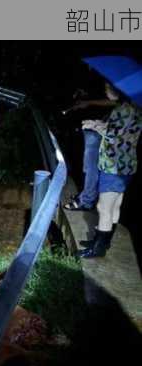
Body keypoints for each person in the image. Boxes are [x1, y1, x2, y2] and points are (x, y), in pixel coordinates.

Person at [78, 83, 142, 258]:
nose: (105, 91)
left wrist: (94, 127)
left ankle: (98, 249)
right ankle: (103, 242)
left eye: (108, 88)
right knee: (115, 205)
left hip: (114, 165)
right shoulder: (134, 107)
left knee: (103, 207)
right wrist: (98, 123)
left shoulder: (125, 109)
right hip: (127, 164)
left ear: (118, 90)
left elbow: (115, 136)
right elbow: (120, 129)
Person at [63, 83, 118, 211]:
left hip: (97, 131)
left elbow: (115, 103)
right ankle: (88, 195)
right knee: (90, 167)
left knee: (91, 167)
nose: (105, 89)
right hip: (94, 127)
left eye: (107, 87)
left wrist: (90, 104)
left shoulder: (121, 95)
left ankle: (87, 201)